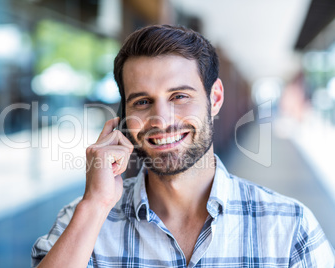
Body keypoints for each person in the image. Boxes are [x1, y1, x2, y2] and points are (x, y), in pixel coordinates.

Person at [31, 25, 335, 268]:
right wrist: (95, 206)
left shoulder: (290, 228)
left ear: (214, 99)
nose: (161, 120)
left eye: (179, 96)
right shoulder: (83, 221)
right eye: (142, 101)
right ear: (124, 115)